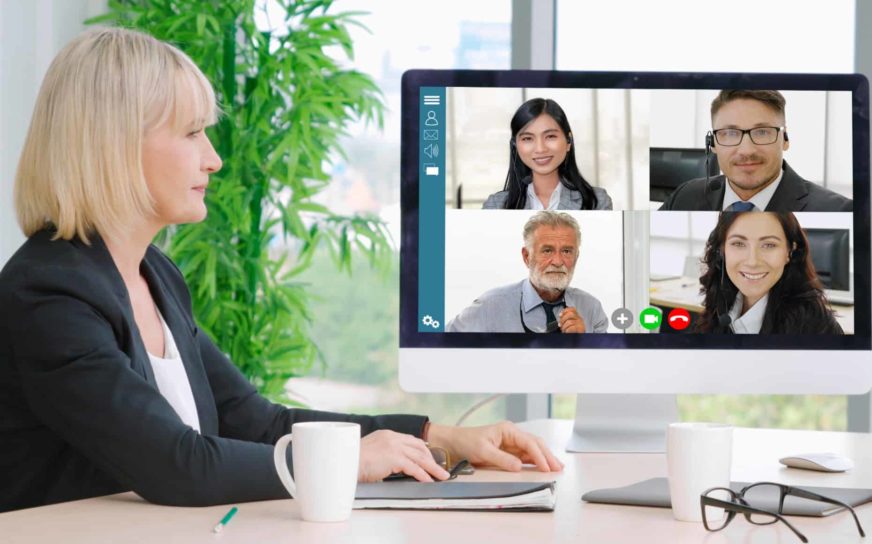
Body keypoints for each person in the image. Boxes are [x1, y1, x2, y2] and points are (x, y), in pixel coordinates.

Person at [0, 28, 563, 513]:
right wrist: (345, 462)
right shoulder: (50, 293)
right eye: (192, 132)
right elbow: (176, 463)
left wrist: (437, 436)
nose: (213, 158)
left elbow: (254, 420)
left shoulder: (154, 275)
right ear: (115, 144)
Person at [658, 89, 851, 212]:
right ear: (713, 144)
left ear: (785, 139)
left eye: (762, 132)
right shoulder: (684, 196)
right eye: (730, 133)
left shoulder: (838, 210)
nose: (746, 150)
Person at [448, 211, 608, 333]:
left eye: (566, 251)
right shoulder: (490, 306)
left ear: (576, 257)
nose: (558, 262)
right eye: (547, 251)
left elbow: (605, 369)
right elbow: (438, 347)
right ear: (526, 256)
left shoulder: (591, 309)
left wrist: (587, 342)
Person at [696, 212, 841, 334]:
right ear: (721, 251)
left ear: (790, 252)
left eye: (769, 245)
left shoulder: (816, 325)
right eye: (738, 244)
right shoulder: (720, 303)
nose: (752, 262)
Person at [483, 98, 613, 210]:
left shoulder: (597, 202)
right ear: (515, 146)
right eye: (527, 138)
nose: (540, 149)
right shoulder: (496, 205)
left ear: (568, 141)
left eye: (550, 136)